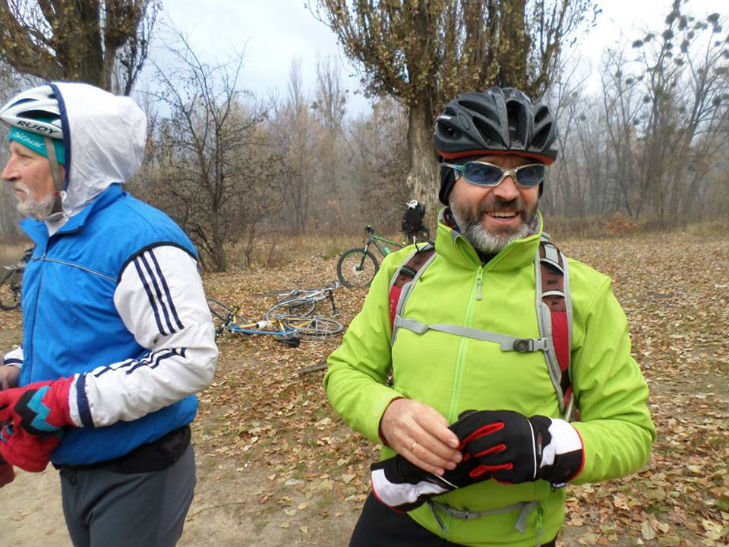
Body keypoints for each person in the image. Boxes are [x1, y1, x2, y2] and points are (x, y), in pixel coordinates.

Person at [325, 86, 656, 547]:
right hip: (404, 514)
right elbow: (346, 371)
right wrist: (387, 413)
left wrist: (549, 447)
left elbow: (631, 431)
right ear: (448, 182)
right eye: (483, 171)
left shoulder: (583, 293)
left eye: (527, 174)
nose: (507, 192)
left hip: (517, 535)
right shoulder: (401, 274)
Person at [0, 82, 217, 547]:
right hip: (77, 465)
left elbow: (189, 358)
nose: (7, 171)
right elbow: (75, 330)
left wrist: (63, 401)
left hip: (137, 470)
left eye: (23, 155)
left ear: (72, 163)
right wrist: (16, 367)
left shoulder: (141, 239)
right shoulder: (55, 237)